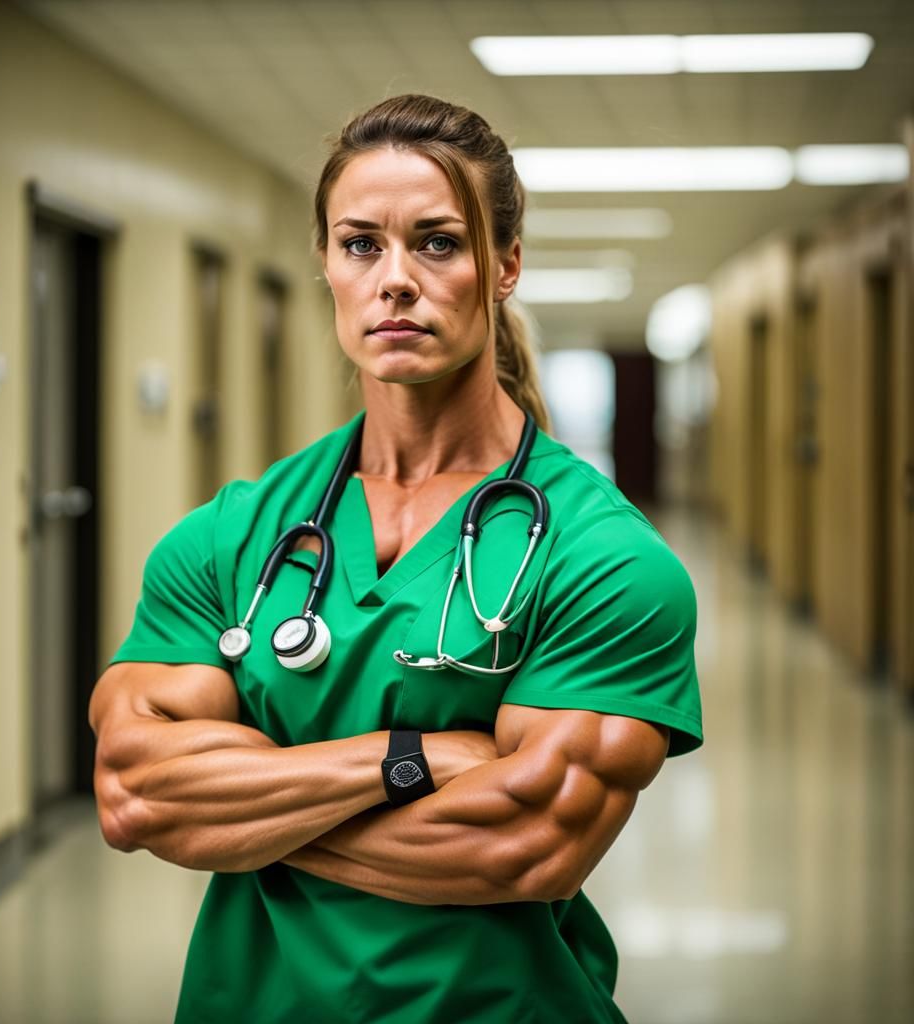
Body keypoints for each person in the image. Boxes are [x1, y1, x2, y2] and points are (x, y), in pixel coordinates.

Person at [89, 94, 703, 1024]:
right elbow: (137, 791)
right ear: (328, 266)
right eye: (361, 244)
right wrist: (406, 760)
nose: (397, 279)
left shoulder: (603, 558)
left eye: (439, 243)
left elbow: (523, 845)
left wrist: (239, 812)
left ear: (505, 268)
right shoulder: (233, 534)